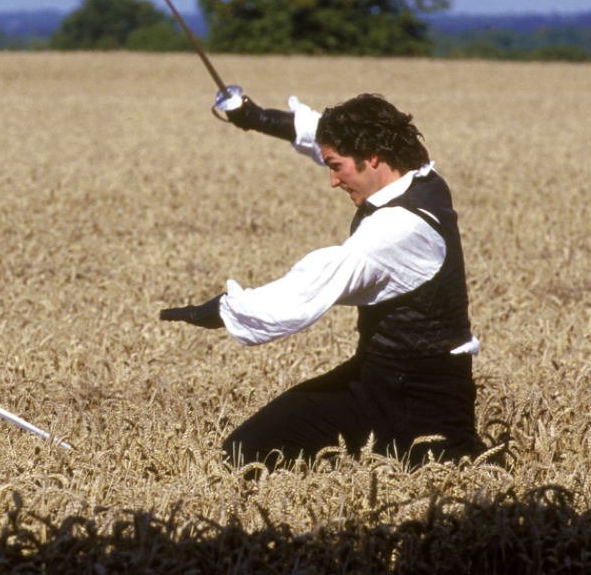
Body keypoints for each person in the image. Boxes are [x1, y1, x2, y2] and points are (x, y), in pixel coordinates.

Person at [160, 87, 485, 468]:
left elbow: (309, 287)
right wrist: (255, 117)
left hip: (422, 399)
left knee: (441, 482)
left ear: (373, 157)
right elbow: (323, 137)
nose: (333, 181)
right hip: (372, 378)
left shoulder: (398, 230)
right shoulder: (417, 174)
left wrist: (223, 310)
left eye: (336, 167)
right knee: (246, 452)